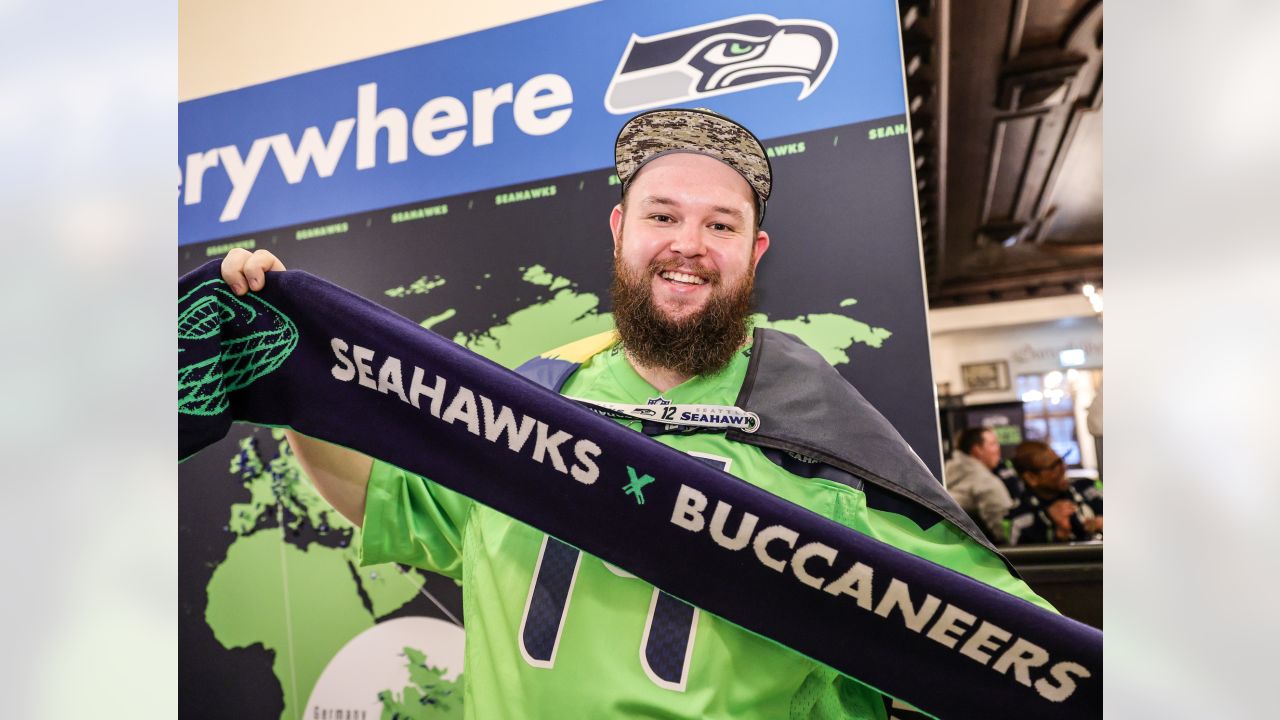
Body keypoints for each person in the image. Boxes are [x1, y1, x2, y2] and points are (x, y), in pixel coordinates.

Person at [219, 108, 1052, 718]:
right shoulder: (530, 403)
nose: (687, 243)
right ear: (620, 232)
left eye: (719, 224)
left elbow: (1012, 651)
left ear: (753, 253)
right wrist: (297, 376)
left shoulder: (825, 440)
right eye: (662, 216)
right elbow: (385, 500)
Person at [1007, 440, 1104, 545]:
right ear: (1031, 478)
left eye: (1061, 460)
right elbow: (1018, 557)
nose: (1063, 468)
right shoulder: (1020, 516)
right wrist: (1053, 532)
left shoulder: (1088, 486)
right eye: (1053, 467)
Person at [943, 427, 1014, 544]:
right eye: (993, 444)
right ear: (977, 450)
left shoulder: (946, 471)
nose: (998, 449)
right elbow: (1007, 533)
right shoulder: (986, 482)